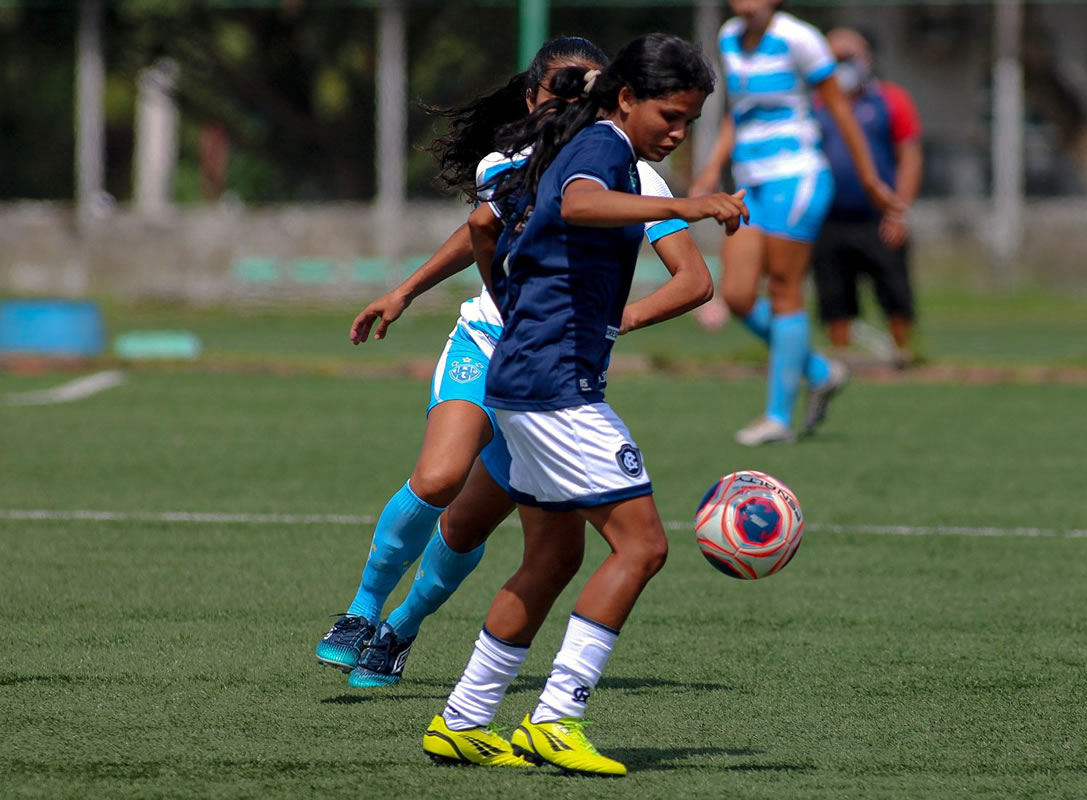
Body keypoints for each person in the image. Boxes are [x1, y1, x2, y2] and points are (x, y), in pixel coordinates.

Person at [316, 37, 709, 689]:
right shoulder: (513, 160)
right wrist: (410, 291)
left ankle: (399, 630)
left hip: (556, 378)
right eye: (558, 89)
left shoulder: (636, 173)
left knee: (470, 525)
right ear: (532, 98)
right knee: (441, 477)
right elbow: (481, 229)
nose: (567, 101)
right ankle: (360, 612)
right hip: (489, 347)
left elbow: (694, 280)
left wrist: (621, 319)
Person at [421, 35, 748, 775]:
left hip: (529, 376)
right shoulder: (603, 150)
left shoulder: (587, 142)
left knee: (555, 554)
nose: (677, 133)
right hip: (553, 384)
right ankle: (556, 719)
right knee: (644, 546)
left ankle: (466, 719)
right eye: (669, 114)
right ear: (626, 97)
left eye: (690, 122)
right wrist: (692, 203)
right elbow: (582, 205)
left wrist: (587, 316)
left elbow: (488, 228)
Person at [691, 0, 903, 445]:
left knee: (786, 292)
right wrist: (712, 169)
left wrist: (869, 180)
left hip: (797, 177)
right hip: (750, 182)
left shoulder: (800, 38)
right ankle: (820, 371)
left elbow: (839, 110)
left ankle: (778, 418)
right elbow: (739, 111)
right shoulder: (729, 36)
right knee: (737, 295)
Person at [813, 28, 923, 364]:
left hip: (876, 217)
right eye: (836, 59)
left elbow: (910, 157)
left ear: (867, 59)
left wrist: (898, 211)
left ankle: (901, 354)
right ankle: (841, 358)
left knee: (894, 288)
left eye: (849, 58)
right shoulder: (812, 103)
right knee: (834, 294)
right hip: (827, 217)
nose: (843, 67)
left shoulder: (891, 100)